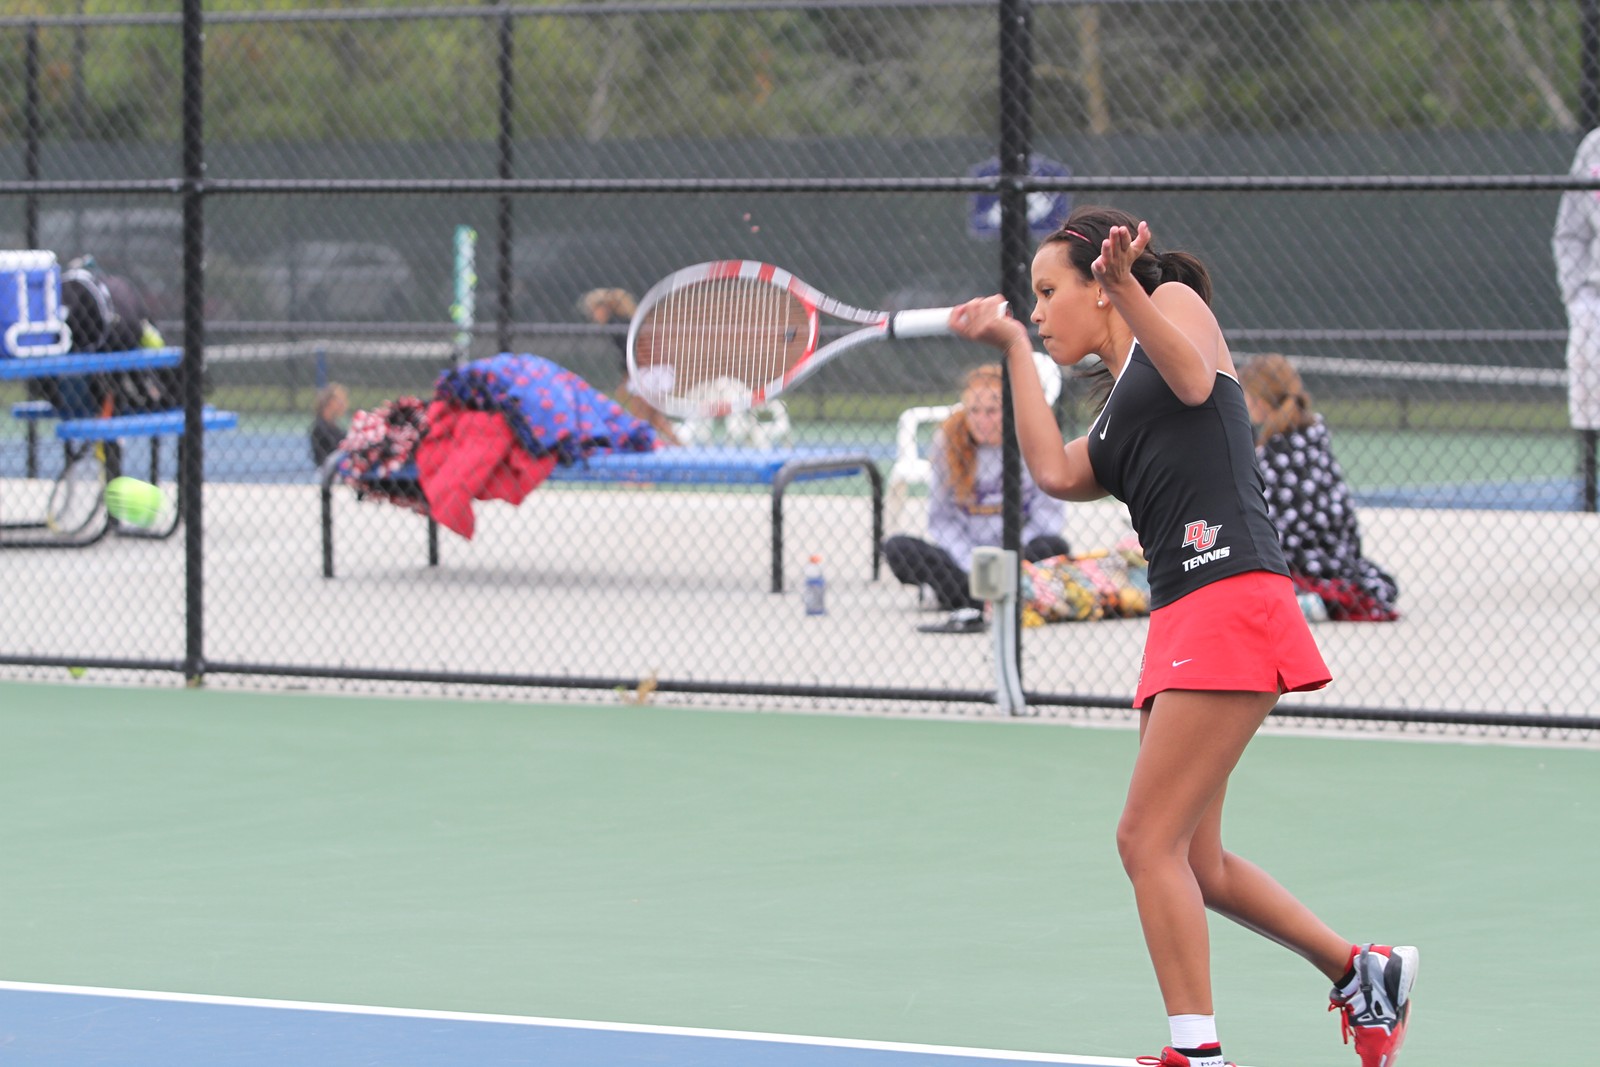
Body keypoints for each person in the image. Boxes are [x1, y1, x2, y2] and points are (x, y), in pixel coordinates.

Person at [947, 205, 1417, 1067]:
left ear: (1100, 286)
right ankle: (1361, 970)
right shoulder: (1116, 414)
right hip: (1181, 617)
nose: (1040, 310)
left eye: (1048, 293)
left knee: (1144, 840)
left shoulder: (1175, 309)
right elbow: (1053, 468)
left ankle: (1197, 1053)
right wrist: (1012, 347)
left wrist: (1130, 283)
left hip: (1230, 596)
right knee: (1196, 860)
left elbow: (1195, 380)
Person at [883, 363, 1070, 634]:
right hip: (965, 560)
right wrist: (970, 562)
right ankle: (995, 598)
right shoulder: (948, 441)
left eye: (992, 411)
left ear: (1011, 409)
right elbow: (941, 520)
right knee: (897, 548)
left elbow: (1049, 516)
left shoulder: (1034, 439)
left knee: (1054, 546)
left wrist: (1010, 558)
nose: (982, 420)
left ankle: (971, 599)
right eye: (974, 411)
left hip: (1019, 555)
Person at [1238, 353, 1399, 621]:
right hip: (1338, 551)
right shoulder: (1315, 436)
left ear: (1259, 401)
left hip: (1296, 555)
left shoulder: (1273, 451)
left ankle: (1302, 599)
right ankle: (1314, 599)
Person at [1552, 128, 1600, 508]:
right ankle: (1589, 493)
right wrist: (1577, 295)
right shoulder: (1594, 147)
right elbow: (1570, 232)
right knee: (1588, 398)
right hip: (1595, 299)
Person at [580, 287, 679, 446]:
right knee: (653, 416)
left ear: (604, 308)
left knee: (641, 416)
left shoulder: (616, 324)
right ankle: (675, 445)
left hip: (648, 372)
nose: (594, 316)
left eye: (594, 311)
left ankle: (647, 445)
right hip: (657, 369)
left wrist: (626, 378)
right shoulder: (626, 321)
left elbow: (629, 354)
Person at [309, 382, 349, 467]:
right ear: (330, 402)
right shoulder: (320, 429)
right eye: (341, 400)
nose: (345, 404)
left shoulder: (334, 427)